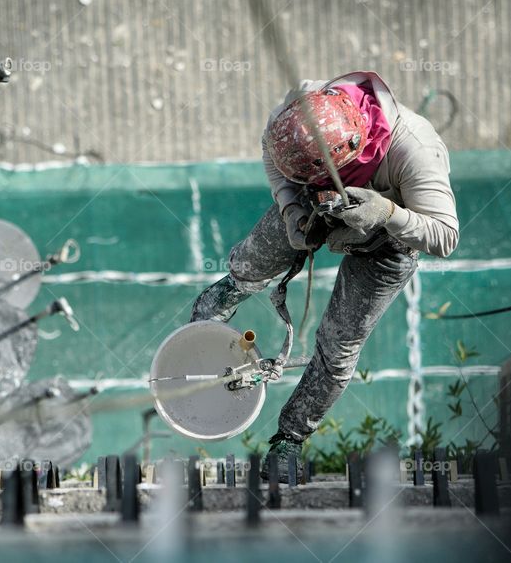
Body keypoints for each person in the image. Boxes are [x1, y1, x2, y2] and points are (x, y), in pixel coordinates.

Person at [189, 71, 459, 481]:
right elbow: (271, 151)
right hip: (315, 201)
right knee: (251, 262)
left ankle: (289, 440)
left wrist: (387, 213)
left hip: (390, 237)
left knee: (338, 348)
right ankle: (230, 291)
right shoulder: (296, 116)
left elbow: (444, 236)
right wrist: (291, 209)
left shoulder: (415, 151)